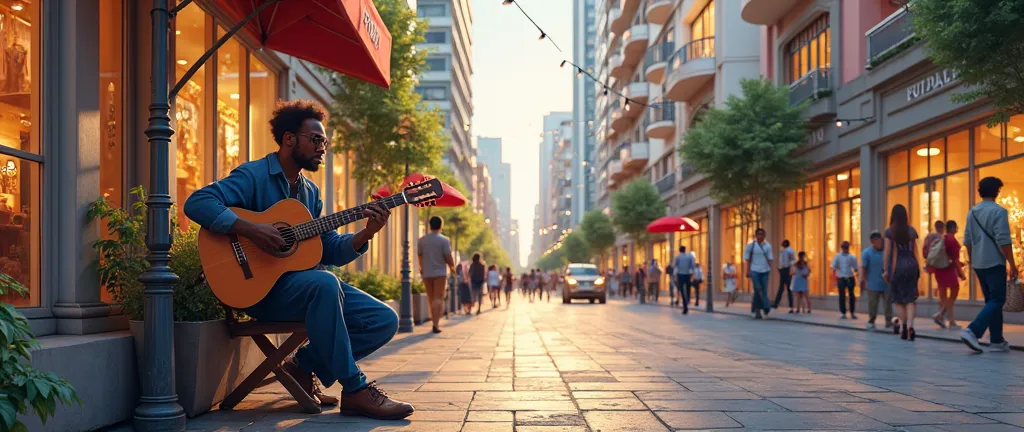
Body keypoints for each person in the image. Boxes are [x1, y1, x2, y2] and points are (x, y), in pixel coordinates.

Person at [181, 100, 413, 419]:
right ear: (290, 139)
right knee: (324, 283)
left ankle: (303, 366)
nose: (322, 148)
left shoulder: (310, 192)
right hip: (258, 292)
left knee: (384, 319)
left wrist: (365, 234)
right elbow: (197, 202)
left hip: (304, 289)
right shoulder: (254, 175)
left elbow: (327, 248)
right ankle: (356, 389)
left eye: (325, 142)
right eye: (316, 140)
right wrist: (253, 230)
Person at [961, 177, 1018, 353]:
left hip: (978, 262)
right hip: (994, 261)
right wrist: (1012, 264)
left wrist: (972, 260)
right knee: (998, 299)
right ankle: (973, 330)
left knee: (992, 301)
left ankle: (996, 340)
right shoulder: (999, 211)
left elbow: (968, 240)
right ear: (997, 191)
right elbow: (1003, 239)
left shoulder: (972, 212)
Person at [883, 204, 921, 341]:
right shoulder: (911, 230)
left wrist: (885, 270)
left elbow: (887, 253)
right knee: (911, 299)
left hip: (897, 267)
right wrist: (918, 267)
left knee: (898, 300)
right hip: (912, 264)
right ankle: (911, 326)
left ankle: (904, 327)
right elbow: (915, 251)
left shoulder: (889, 232)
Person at [417, 216, 456, 334]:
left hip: (427, 272)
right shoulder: (444, 240)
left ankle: (433, 321)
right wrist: (452, 267)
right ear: (441, 225)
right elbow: (448, 256)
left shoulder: (422, 240)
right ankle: (436, 324)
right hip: (440, 273)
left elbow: (420, 255)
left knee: (430, 298)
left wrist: (422, 268)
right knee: (438, 298)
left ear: (430, 225)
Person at [932, 220, 966, 330]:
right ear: (953, 228)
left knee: (943, 295)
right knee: (954, 292)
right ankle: (941, 314)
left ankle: (949, 320)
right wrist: (961, 273)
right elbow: (955, 259)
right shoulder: (952, 240)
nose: (957, 229)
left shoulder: (943, 238)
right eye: (956, 227)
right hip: (948, 270)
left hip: (939, 270)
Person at [861, 231, 893, 330]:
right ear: (872, 242)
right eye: (875, 240)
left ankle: (888, 321)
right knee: (873, 303)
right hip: (872, 283)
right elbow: (864, 268)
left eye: (879, 240)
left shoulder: (887, 251)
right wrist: (864, 281)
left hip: (886, 283)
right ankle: (871, 320)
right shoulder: (867, 253)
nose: (878, 242)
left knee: (888, 303)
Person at [743, 228, 774, 319]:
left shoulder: (768, 246)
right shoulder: (751, 246)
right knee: (758, 289)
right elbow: (748, 260)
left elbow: (770, 259)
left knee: (763, 290)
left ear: (765, 235)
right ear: (756, 236)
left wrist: (770, 269)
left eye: (762, 234)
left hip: (765, 271)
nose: (760, 236)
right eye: (759, 234)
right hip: (754, 270)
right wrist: (747, 271)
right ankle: (766, 307)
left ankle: (756, 310)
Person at [831, 241, 859, 320]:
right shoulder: (837, 256)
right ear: (842, 248)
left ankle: (852, 312)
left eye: (846, 248)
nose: (845, 249)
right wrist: (834, 279)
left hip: (850, 277)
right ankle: (843, 312)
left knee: (851, 296)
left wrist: (856, 274)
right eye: (844, 248)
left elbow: (856, 268)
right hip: (841, 277)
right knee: (842, 296)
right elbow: (833, 267)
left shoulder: (852, 257)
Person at [774, 240, 796, 313]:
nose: (782, 244)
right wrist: (779, 268)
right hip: (783, 270)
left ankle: (791, 306)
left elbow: (793, 260)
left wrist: (791, 269)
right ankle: (776, 303)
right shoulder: (782, 251)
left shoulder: (790, 251)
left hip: (787, 269)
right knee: (781, 288)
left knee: (788, 288)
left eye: (783, 243)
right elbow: (781, 261)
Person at [673, 246, 696, 314]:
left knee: (682, 290)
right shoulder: (689, 257)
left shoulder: (677, 257)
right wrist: (692, 274)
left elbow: (675, 266)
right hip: (687, 274)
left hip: (680, 275)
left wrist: (674, 275)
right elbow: (693, 265)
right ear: (685, 250)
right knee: (688, 288)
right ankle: (688, 299)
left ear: (679, 250)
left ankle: (685, 304)